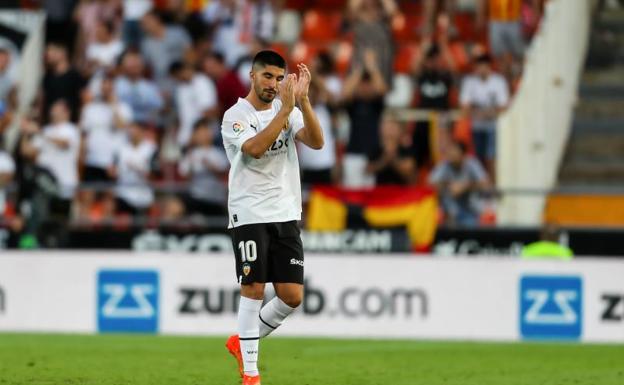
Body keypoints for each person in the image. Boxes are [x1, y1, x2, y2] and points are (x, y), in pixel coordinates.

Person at [221, 50, 323, 385]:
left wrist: (304, 102)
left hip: (285, 211)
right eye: (267, 76)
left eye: (280, 78)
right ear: (252, 76)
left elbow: (317, 142)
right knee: (253, 285)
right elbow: (254, 149)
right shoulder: (236, 115)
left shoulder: (288, 109)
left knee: (292, 296)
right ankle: (251, 373)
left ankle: (242, 342)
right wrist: (287, 111)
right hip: (249, 211)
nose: (274, 84)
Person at [341, 49, 388, 187]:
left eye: (368, 83)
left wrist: (372, 67)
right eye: (363, 83)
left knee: (371, 200)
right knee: (352, 197)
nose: (366, 87)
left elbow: (381, 89)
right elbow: (345, 92)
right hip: (353, 154)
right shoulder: (353, 104)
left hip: (373, 157)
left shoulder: (376, 104)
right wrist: (359, 70)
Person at [460, 53, 509, 176]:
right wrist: (489, 111)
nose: (481, 69)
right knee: (479, 159)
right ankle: (482, 186)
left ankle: (492, 186)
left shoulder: (498, 82)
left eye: (483, 66)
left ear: (489, 67)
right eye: (478, 66)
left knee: (491, 157)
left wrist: (478, 110)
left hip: (494, 127)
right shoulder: (470, 81)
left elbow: (503, 107)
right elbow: (465, 107)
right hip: (477, 127)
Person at [428, 140, 490, 227]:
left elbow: (485, 184)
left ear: (463, 155)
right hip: (450, 214)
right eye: (450, 152)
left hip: (471, 213)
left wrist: (465, 186)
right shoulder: (445, 165)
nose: (451, 155)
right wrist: (448, 185)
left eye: (455, 152)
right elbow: (430, 184)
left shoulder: (472, 164)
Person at [178, 118, 229, 216]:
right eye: (199, 132)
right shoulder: (190, 155)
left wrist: (210, 167)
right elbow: (184, 176)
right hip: (195, 196)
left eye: (205, 131)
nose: (203, 135)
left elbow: (224, 174)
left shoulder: (218, 153)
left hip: (215, 197)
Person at [366, 117, 415, 185]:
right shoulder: (376, 147)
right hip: (381, 191)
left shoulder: (405, 147)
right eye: (387, 127)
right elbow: (368, 169)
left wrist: (393, 159)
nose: (389, 132)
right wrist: (384, 160)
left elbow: (409, 170)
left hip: (402, 191)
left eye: (392, 127)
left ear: (400, 130)